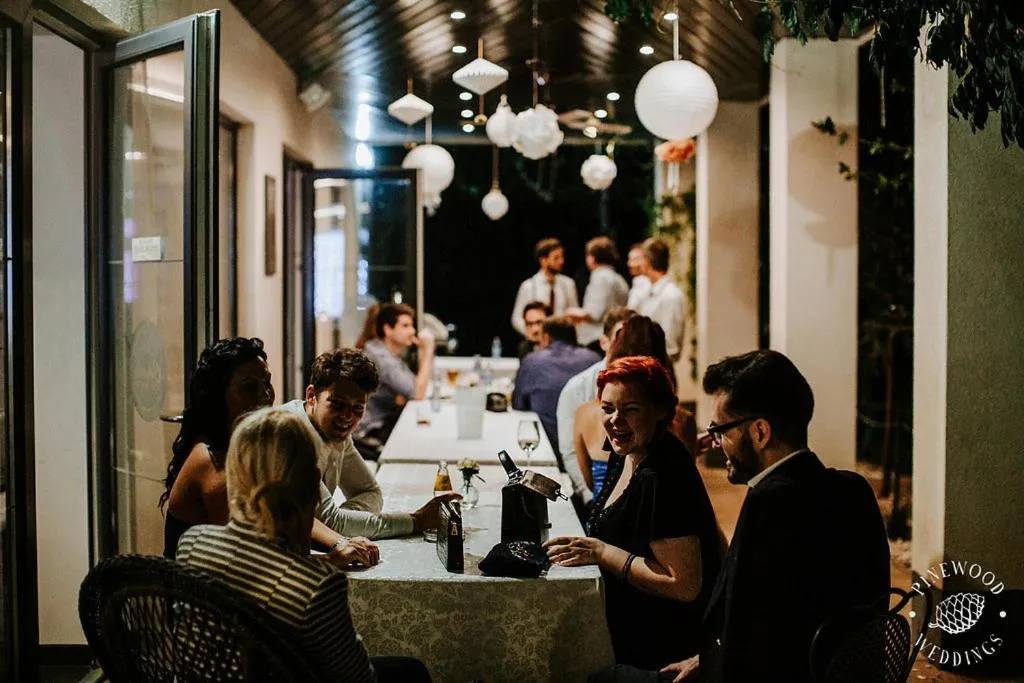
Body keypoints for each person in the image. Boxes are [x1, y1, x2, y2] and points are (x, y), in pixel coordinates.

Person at [597, 350, 890, 683]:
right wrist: (705, 657)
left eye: (720, 430)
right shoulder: (854, 488)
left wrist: (708, 662)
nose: (717, 443)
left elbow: (744, 630)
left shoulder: (770, 501)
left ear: (760, 432)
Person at [176, 407, 432, 683]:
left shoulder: (191, 543)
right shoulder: (317, 586)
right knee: (411, 671)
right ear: (312, 484)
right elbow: (358, 679)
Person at [544, 357, 721, 671]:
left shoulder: (663, 474)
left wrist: (602, 551)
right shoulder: (624, 451)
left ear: (661, 412)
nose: (615, 420)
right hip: (625, 626)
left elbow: (683, 584)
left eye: (631, 409)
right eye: (608, 408)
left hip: (660, 648)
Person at [283, 349, 460, 542]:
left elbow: (369, 492)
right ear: (311, 396)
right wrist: (416, 521)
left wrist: (347, 526)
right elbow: (331, 524)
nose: (347, 417)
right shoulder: (291, 436)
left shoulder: (335, 430)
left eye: (357, 407)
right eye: (337, 404)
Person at [160, 337, 274, 559]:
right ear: (218, 396)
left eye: (267, 383)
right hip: (196, 591)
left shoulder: (243, 445)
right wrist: (328, 559)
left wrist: (339, 542)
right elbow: (250, 556)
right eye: (249, 388)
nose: (266, 395)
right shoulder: (211, 459)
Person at [556, 306, 636, 504]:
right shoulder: (577, 387)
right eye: (620, 338)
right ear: (604, 342)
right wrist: (590, 497)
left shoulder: (648, 388)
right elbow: (569, 450)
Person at [512, 317, 600, 462]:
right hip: (589, 453)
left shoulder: (532, 361)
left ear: (546, 337)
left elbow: (518, 404)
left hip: (547, 449)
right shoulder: (594, 359)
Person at [358, 303, 435, 451]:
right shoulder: (381, 357)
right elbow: (417, 393)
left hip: (380, 423)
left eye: (412, 325)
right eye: (405, 326)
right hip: (369, 433)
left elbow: (410, 389)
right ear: (388, 330)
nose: (413, 331)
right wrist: (428, 351)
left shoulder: (383, 351)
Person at [566, 237, 630, 355]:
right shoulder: (618, 278)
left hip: (598, 340)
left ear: (592, 258)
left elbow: (595, 313)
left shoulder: (600, 277)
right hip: (616, 337)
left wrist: (570, 312)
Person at [511, 237, 579, 338]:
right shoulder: (529, 286)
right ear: (543, 260)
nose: (561, 261)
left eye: (562, 257)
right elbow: (516, 318)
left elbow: (575, 314)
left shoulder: (568, 284)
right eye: (556, 258)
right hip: (538, 340)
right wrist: (531, 332)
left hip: (561, 340)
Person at [632, 238, 685, 362]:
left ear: (648, 261)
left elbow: (670, 344)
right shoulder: (647, 290)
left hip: (659, 367)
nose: (638, 264)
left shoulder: (670, 295)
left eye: (641, 258)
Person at [625, 242, 650, 309]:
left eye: (634, 259)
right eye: (629, 259)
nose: (629, 264)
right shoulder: (637, 282)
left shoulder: (645, 283)